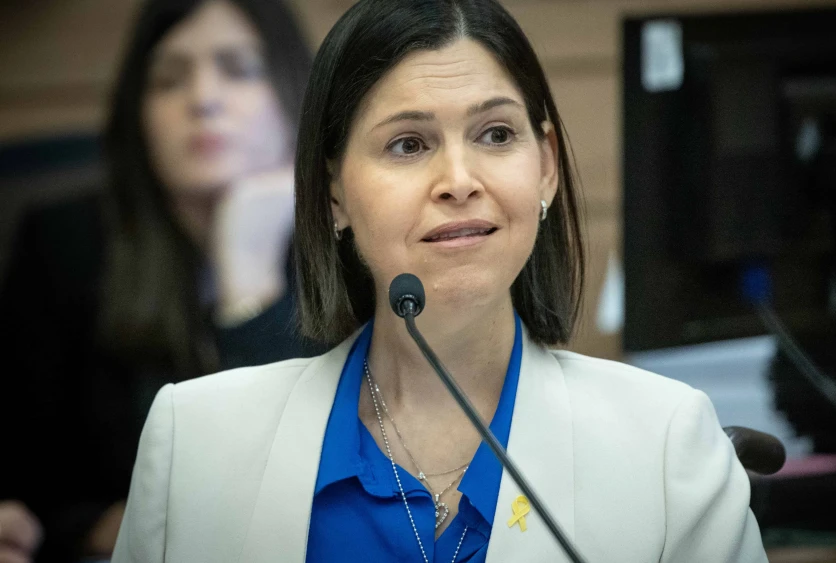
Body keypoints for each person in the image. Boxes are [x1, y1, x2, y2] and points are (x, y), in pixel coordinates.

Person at [110, 0, 768, 561]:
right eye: (408, 144)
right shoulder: (193, 440)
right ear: (333, 191)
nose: (459, 179)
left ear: (545, 167)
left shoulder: (666, 444)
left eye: (495, 133)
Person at [0, 1, 315, 561]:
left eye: (239, 70)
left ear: (295, 97)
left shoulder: (354, 246)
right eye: (168, 80)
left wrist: (248, 278)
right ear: (137, 115)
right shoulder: (65, 243)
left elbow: (304, 482)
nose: (203, 99)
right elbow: (28, 480)